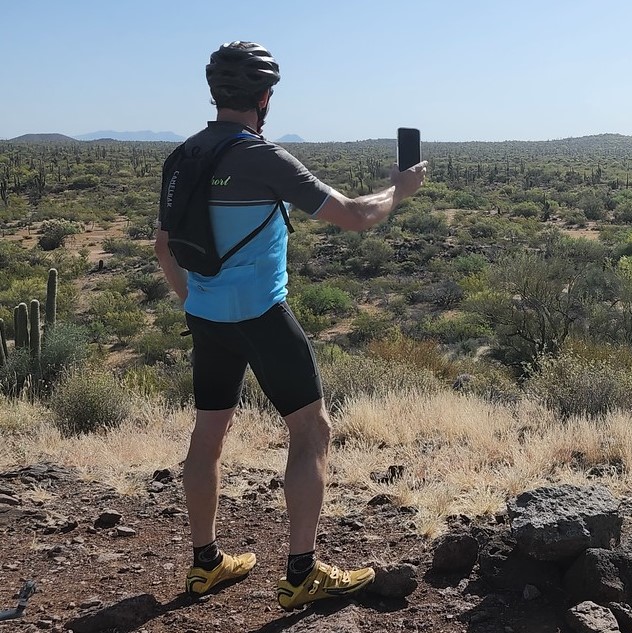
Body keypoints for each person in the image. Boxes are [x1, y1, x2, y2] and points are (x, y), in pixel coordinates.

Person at [154, 41, 427, 611]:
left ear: (214, 93)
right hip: (262, 316)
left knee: (208, 435)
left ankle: (205, 564)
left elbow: (163, 248)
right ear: (265, 97)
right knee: (311, 431)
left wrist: (195, 302)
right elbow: (355, 215)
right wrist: (399, 191)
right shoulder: (264, 158)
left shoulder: (181, 157)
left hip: (207, 318)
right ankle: (301, 571)